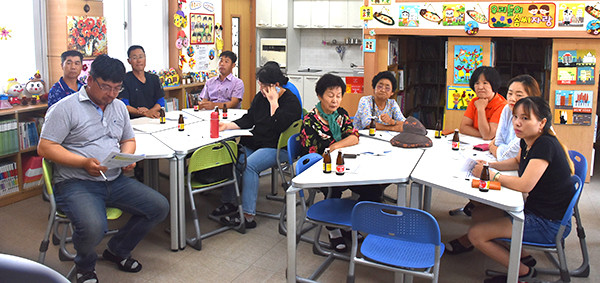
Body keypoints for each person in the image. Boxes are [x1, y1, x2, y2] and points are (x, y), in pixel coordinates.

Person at [37, 55, 169, 283]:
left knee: (159, 207)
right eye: (105, 87)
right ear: (89, 80)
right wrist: (83, 163)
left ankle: (117, 250)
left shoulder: (117, 106)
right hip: (76, 182)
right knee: (94, 227)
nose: (111, 94)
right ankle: (85, 267)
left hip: (114, 179)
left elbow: (128, 138)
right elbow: (45, 148)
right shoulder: (65, 108)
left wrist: (127, 156)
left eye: (117, 88)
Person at [469, 97, 575, 282]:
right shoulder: (528, 140)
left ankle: (523, 273)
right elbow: (518, 161)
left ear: (542, 122)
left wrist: (491, 175)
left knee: (476, 235)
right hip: (538, 210)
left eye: (525, 118)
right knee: (478, 215)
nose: (517, 122)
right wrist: (490, 165)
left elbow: (525, 185)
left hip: (548, 223)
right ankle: (522, 253)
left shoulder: (545, 145)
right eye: (515, 116)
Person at [300, 73, 386, 252]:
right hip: (320, 169)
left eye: (338, 96)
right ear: (319, 96)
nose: (335, 100)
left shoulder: (341, 114)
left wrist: (334, 146)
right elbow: (313, 153)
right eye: (330, 95)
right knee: (335, 188)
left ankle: (349, 223)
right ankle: (333, 230)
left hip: (344, 164)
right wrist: (335, 147)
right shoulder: (310, 120)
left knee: (374, 190)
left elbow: (354, 137)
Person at [214, 64, 301, 228]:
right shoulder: (260, 97)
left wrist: (274, 103)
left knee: (250, 166)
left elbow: (280, 125)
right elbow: (249, 119)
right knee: (234, 158)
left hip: (278, 148)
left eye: (264, 86)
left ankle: (247, 216)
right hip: (259, 142)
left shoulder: (290, 101)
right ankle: (232, 203)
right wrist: (228, 125)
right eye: (260, 85)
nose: (261, 89)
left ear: (276, 85)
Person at [489, 75, 541, 161]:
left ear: (531, 97)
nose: (512, 99)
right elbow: (499, 140)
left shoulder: (534, 119)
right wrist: (499, 148)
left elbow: (507, 155)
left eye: (519, 95)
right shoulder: (507, 109)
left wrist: (492, 147)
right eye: (510, 93)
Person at [459, 66, 507, 140]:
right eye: (477, 83)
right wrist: (483, 134)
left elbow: (488, 135)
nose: (480, 87)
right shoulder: (474, 101)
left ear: (493, 84)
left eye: (485, 83)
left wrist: (481, 109)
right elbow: (463, 128)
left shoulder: (502, 105)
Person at [118, 45, 165, 119]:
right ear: (129, 61)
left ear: (145, 58)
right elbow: (124, 104)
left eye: (141, 57)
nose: (139, 60)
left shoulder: (154, 78)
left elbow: (161, 101)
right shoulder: (124, 80)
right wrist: (143, 113)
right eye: (134, 58)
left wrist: (150, 112)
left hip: (153, 118)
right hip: (134, 121)